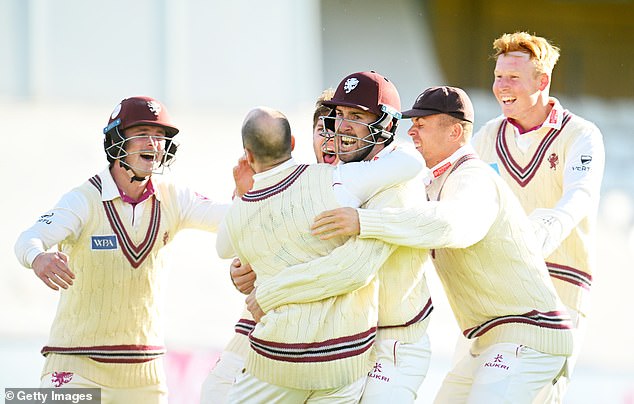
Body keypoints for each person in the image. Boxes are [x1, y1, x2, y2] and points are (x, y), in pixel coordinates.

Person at [311, 86, 574, 403]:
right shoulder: (433, 180)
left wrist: (364, 222)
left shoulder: (473, 176)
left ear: (454, 131)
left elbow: (453, 225)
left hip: (528, 332)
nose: (412, 131)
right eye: (412, 123)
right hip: (489, 339)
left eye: (422, 123)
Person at [225, 71, 435, 403]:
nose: (342, 125)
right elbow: (290, 247)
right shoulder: (336, 176)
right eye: (339, 115)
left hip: (392, 342)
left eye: (356, 116)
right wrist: (251, 267)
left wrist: (269, 291)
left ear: (385, 124)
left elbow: (351, 269)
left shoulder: (395, 186)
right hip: (343, 337)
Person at [14, 96, 230, 404]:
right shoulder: (83, 200)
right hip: (75, 367)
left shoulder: (174, 199)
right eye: (142, 132)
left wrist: (257, 186)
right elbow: (29, 238)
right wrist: (38, 257)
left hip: (144, 375)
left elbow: (229, 218)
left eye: (160, 136)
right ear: (117, 139)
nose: (154, 144)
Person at [472, 31, 605, 402]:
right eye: (498, 77)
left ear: (542, 80)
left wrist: (536, 237)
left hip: (560, 290)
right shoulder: (488, 135)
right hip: (501, 291)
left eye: (513, 78)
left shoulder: (581, 134)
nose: (501, 87)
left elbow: (579, 196)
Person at [199, 88, 339, 404]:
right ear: (303, 139)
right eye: (322, 130)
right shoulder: (287, 178)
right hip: (259, 325)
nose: (329, 140)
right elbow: (236, 250)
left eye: (337, 130)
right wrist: (242, 270)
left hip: (322, 340)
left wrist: (273, 290)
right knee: (214, 393)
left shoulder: (350, 185)